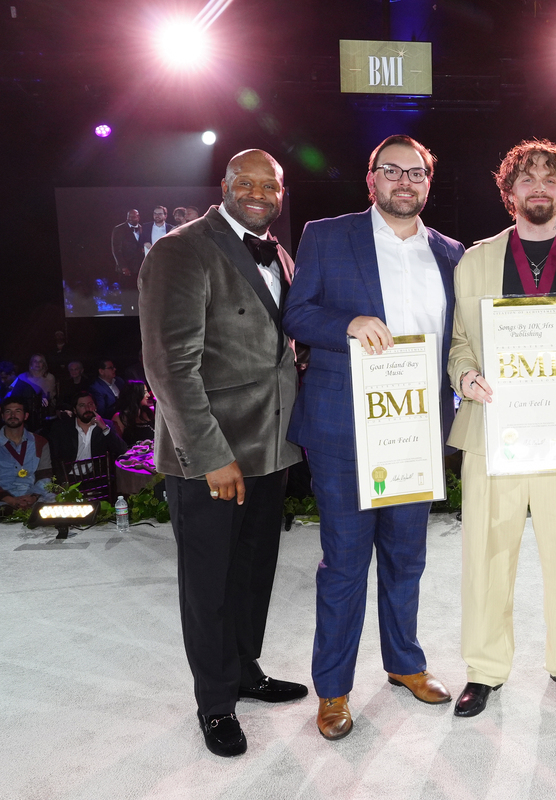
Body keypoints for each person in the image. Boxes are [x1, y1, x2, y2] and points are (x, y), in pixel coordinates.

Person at [284, 134, 464, 741]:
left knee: (406, 558)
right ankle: (333, 690)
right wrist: (350, 324)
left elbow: (460, 338)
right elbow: (298, 314)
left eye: (416, 172)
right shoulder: (327, 236)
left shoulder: (451, 253)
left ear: (428, 182)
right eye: (392, 171)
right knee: (344, 565)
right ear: (371, 179)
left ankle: (404, 662)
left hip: (417, 428)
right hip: (344, 430)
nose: (404, 182)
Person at [139, 149, 307, 758]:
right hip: (210, 452)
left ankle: (245, 670)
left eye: (270, 185)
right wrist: (210, 454)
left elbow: (275, 350)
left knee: (254, 570)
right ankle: (215, 702)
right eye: (246, 182)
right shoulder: (180, 249)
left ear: (281, 193)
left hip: (272, 446)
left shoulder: (280, 252)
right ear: (225, 185)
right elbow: (169, 365)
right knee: (208, 582)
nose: (258, 192)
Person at [446, 140, 556, 717]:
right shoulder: (475, 260)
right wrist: (465, 379)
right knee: (486, 555)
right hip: (494, 433)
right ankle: (485, 670)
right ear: (508, 191)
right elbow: (459, 343)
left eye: (550, 178)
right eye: (527, 179)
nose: (539, 187)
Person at [47, 390, 128, 471]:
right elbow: (54, 457)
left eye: (90, 404)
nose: (87, 408)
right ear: (75, 410)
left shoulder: (106, 425)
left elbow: (122, 450)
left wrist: (104, 428)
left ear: (96, 407)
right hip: (70, 477)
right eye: (82, 405)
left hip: (97, 478)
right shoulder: (61, 428)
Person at [0, 397, 54, 510]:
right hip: (3, 499)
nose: (12, 415)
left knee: (57, 505)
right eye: (8, 411)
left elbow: (45, 476)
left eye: (18, 411)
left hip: (33, 497)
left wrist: (33, 497)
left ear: (26, 416)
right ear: (2, 415)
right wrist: (9, 499)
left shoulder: (40, 442)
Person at [112, 209, 145, 278]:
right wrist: (123, 267)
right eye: (128, 217)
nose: (130, 219)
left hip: (139, 269)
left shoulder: (142, 229)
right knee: (126, 288)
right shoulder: (119, 229)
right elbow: (116, 250)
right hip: (126, 269)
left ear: (138, 217)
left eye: (133, 217)